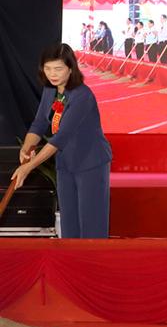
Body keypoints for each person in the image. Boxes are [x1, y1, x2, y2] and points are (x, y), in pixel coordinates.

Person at [12, 44, 112, 238]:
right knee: (69, 225)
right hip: (65, 163)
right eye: (47, 68)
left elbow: (60, 137)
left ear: (71, 68)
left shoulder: (82, 96)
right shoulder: (50, 90)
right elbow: (40, 123)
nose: (52, 74)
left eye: (58, 69)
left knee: (92, 226)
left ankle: (93, 258)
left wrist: (29, 167)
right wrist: (26, 148)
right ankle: (71, 258)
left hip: (90, 163)